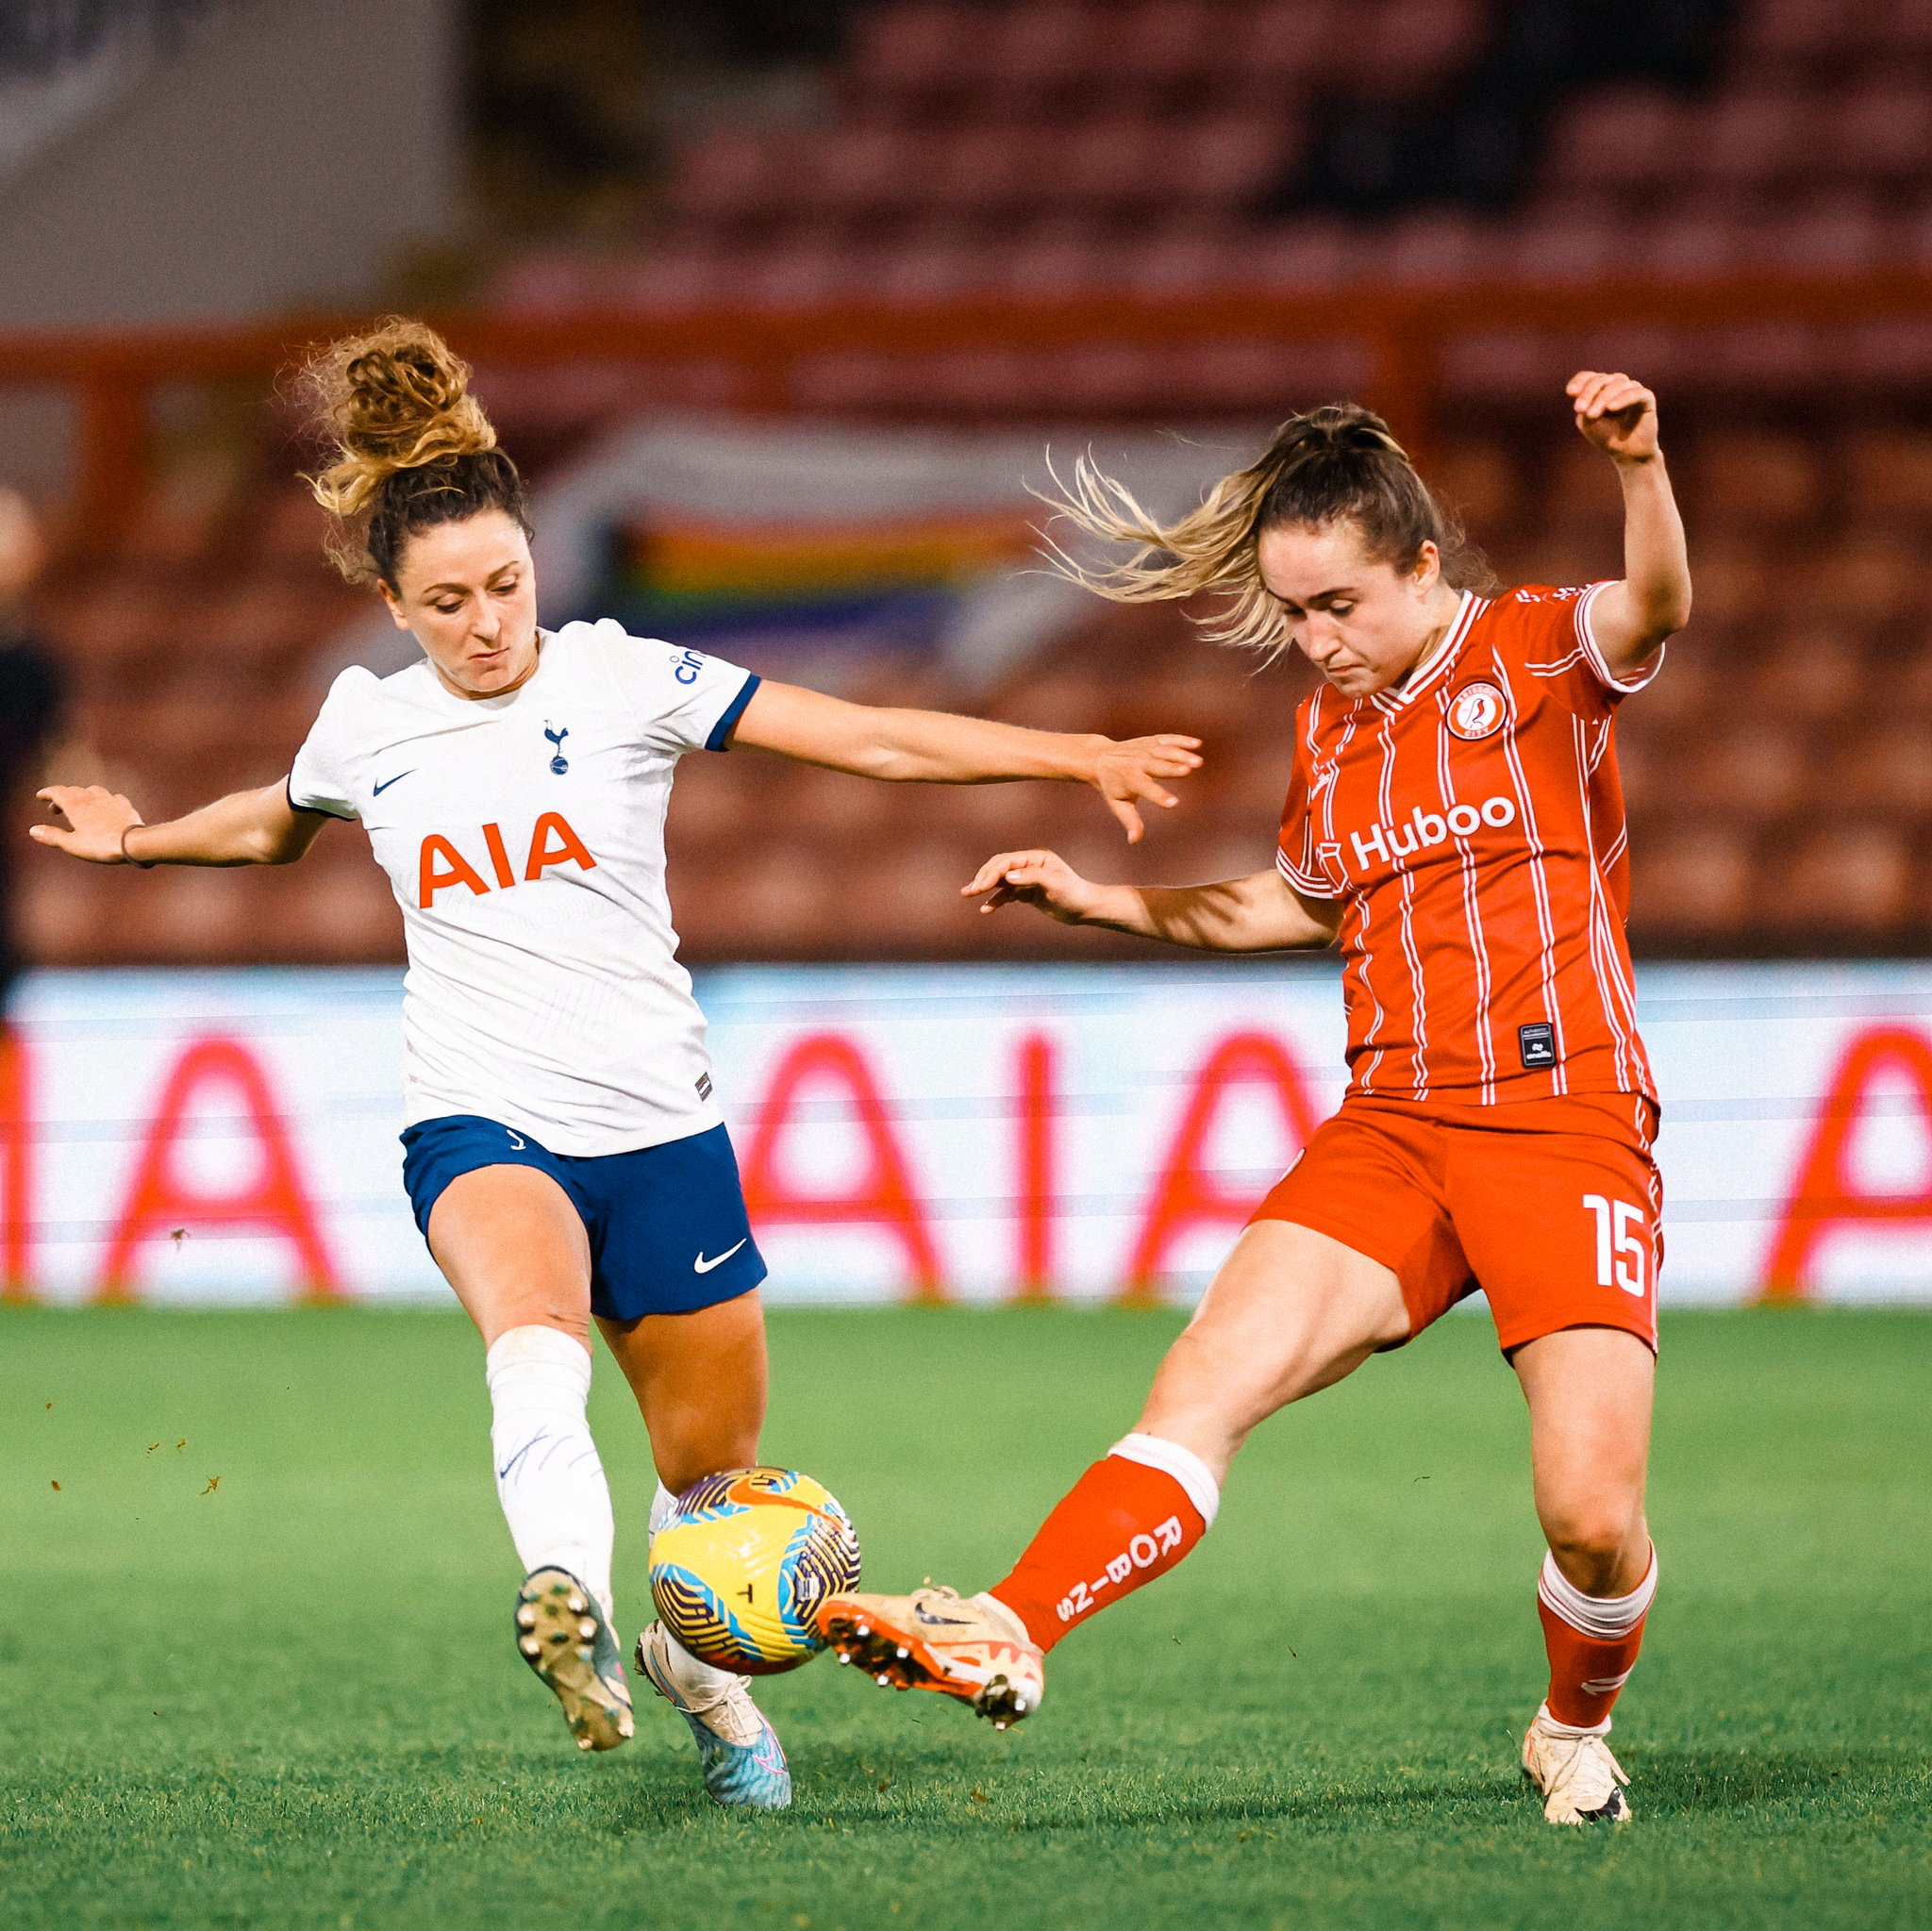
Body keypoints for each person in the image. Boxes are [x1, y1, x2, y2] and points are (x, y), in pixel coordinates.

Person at [28, 319, 1203, 1812]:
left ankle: (690, 1669)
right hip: (478, 1118)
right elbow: (276, 815)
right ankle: (563, 1595)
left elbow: (867, 740)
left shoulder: (619, 677)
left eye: (505, 585)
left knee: (713, 1487)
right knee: (532, 1335)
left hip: (664, 1131)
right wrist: (136, 835)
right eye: (445, 602)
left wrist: (1075, 756)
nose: (483, 624)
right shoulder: (370, 726)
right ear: (393, 606)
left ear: (538, 564)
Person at [817, 373, 1690, 1831]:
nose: (1314, 641)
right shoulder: (1331, 734)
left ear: (1422, 565)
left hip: (1564, 1122)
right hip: (1395, 1128)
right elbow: (1293, 903)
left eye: (1338, 604)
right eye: (1293, 613)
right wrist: (1100, 903)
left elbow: (1655, 604)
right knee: (1198, 1391)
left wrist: (1643, 463)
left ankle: (1569, 1723)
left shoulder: (1538, 651)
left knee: (1593, 1521)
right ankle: (1010, 1622)